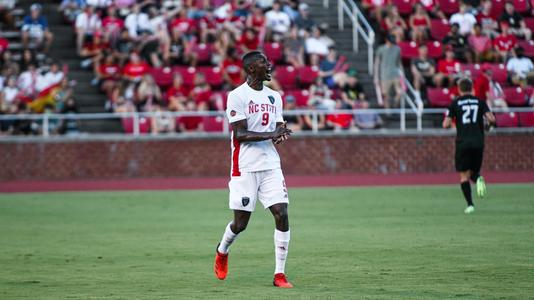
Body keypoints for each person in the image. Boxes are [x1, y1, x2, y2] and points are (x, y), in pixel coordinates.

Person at [214, 51, 293, 288]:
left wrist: (280, 133)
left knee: (282, 213)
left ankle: (279, 274)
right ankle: (222, 250)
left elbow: (278, 124)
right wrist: (272, 134)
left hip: (270, 165)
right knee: (240, 224)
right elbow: (239, 134)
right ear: (250, 69)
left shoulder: (274, 96)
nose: (269, 65)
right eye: (263, 62)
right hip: (245, 167)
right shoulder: (237, 96)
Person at [442, 77, 496, 214]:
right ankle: (478, 178)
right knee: (473, 171)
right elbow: (491, 119)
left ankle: (470, 205)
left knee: (464, 175)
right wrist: (488, 127)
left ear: (459, 89)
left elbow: (446, 124)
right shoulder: (480, 102)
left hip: (463, 142)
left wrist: (454, 122)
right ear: (472, 88)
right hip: (478, 142)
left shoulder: (455, 103)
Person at [374, 34, 402, 108]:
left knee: (399, 92)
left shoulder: (397, 49)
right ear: (386, 40)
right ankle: (388, 111)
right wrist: (376, 76)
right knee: (385, 94)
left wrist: (402, 75)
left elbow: (399, 62)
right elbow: (377, 63)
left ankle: (395, 105)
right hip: (385, 75)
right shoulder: (381, 49)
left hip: (395, 74)